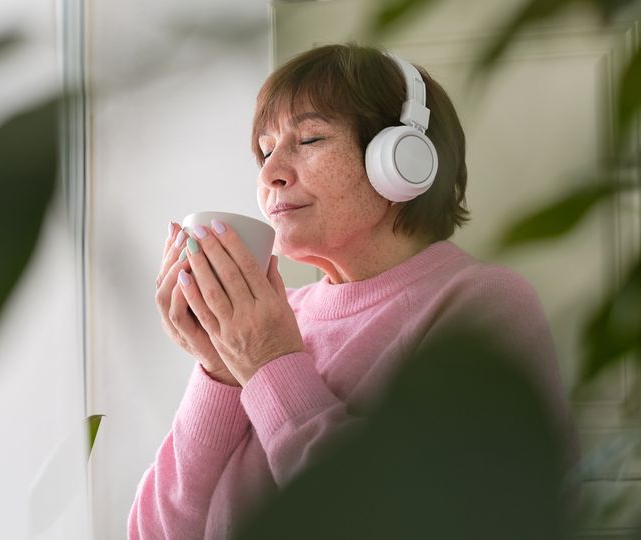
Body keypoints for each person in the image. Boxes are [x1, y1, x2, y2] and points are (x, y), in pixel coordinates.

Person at [132, 43, 577, 539]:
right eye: (264, 149)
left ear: (403, 159)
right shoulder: (274, 319)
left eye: (309, 139)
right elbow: (156, 532)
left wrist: (269, 363)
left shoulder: (484, 304)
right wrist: (219, 373)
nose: (269, 172)